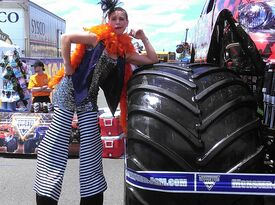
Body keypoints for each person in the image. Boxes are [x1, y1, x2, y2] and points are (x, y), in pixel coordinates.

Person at [33, 0, 158, 205]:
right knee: (56, 144)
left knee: (92, 147)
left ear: (127, 23)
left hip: (89, 97)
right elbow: (66, 38)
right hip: (70, 91)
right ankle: (46, 196)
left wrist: (143, 37)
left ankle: (91, 198)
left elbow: (152, 59)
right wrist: (67, 66)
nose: (117, 21)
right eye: (113, 18)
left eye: (121, 18)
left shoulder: (123, 51)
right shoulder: (96, 37)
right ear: (108, 21)